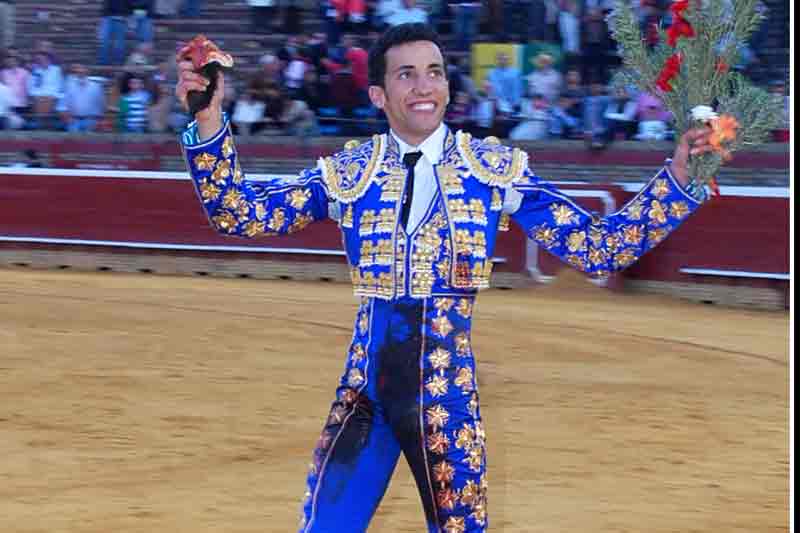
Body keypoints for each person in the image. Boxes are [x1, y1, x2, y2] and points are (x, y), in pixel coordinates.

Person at [176, 23, 714, 533]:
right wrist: (208, 121)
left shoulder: (492, 169)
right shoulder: (349, 172)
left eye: (434, 71)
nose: (424, 85)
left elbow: (600, 249)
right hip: (365, 394)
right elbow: (240, 213)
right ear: (379, 96)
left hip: (447, 398)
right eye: (405, 74)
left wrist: (682, 175)